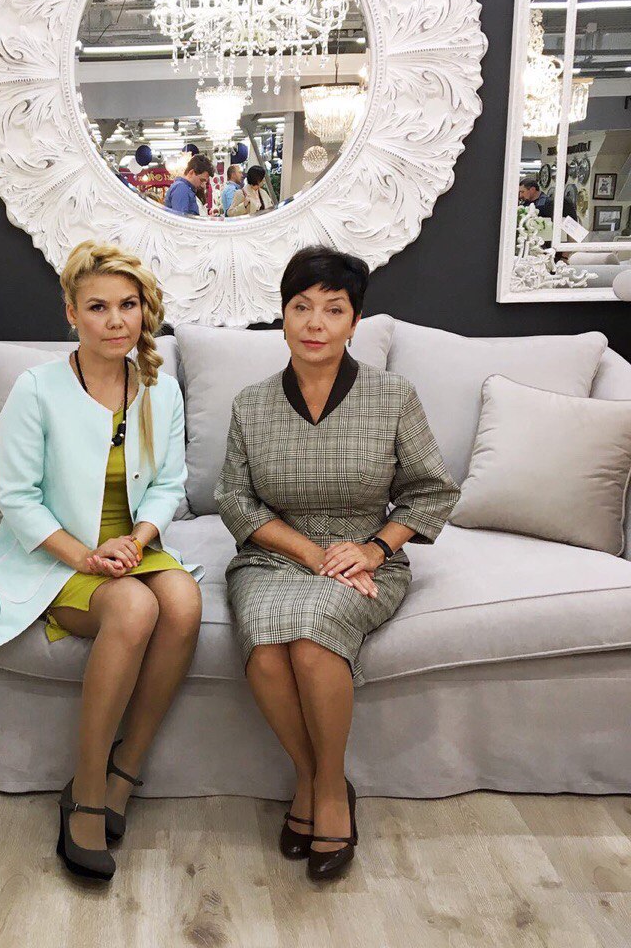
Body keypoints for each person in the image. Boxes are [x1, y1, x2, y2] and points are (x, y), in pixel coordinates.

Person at [0, 240, 204, 884]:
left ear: (144, 311)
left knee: (184, 602)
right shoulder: (37, 389)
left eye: (128, 305)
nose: (116, 320)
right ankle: (87, 790)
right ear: (72, 313)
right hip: (56, 554)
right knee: (135, 607)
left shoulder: (160, 388)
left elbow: (169, 484)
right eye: (98, 307)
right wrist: (87, 556)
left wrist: (140, 539)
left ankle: (127, 768)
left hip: (131, 546)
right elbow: (18, 498)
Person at [214, 246, 459, 881]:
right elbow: (235, 499)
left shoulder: (392, 395)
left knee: (311, 642)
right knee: (265, 644)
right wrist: (307, 551)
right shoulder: (251, 403)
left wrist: (375, 548)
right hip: (274, 554)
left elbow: (432, 491)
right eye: (301, 307)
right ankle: (319, 779)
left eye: (333, 309)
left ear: (355, 322)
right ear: (283, 317)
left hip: (363, 558)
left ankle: (323, 795)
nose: (315, 323)